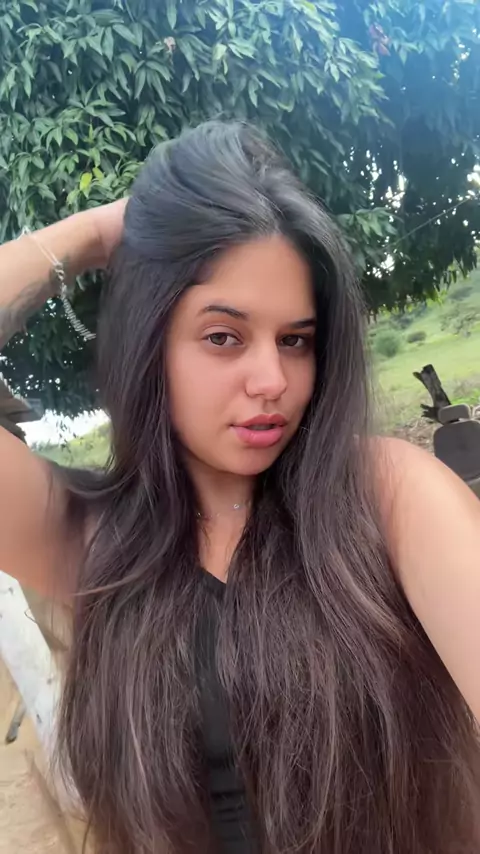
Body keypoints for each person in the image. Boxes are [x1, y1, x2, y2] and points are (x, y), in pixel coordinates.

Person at [0, 121, 479, 854]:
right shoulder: (94, 541)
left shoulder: (387, 499)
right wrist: (96, 236)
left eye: (295, 340)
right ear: (149, 342)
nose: (272, 380)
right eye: (223, 336)